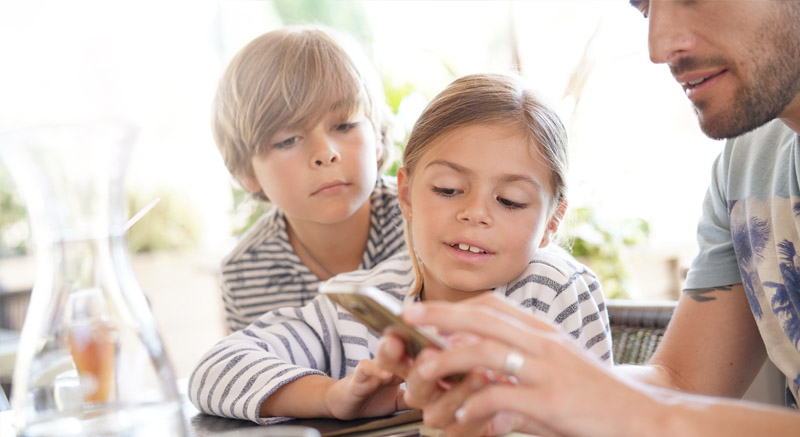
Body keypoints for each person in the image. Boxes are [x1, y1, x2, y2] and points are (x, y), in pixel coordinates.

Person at [375, 0, 800, 435]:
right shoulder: (747, 160)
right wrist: (526, 396)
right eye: (644, 8)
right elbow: (682, 383)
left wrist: (643, 415)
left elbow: (664, 409)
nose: (658, 47)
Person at [188, 73, 612, 425]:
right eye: (448, 190)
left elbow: (601, 422)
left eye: (511, 201)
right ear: (406, 194)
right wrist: (332, 396)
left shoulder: (555, 290)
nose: (475, 214)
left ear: (551, 221)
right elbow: (215, 370)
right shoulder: (356, 303)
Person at [211, 26, 406, 332]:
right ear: (247, 173)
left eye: (344, 125)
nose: (325, 153)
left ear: (377, 136)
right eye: (288, 140)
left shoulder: (426, 220)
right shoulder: (245, 273)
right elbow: (256, 374)